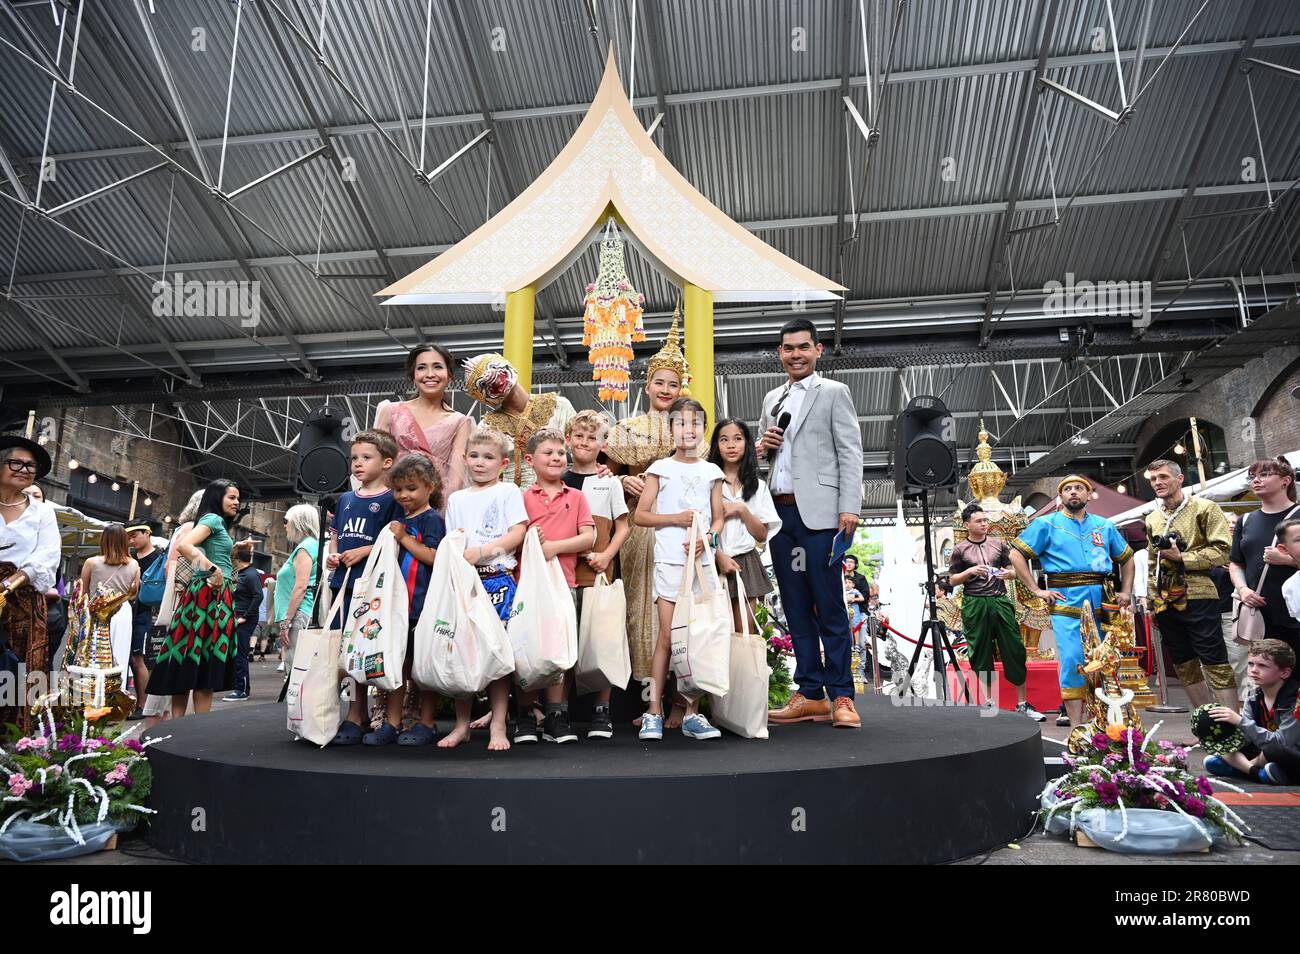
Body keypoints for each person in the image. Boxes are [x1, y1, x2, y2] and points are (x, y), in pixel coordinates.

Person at [759, 318, 864, 729]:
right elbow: (773, 459)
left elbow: (851, 451)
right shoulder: (772, 398)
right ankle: (810, 693)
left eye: (803, 347)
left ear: (818, 350)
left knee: (830, 606)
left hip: (822, 516)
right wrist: (760, 448)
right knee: (795, 606)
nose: (795, 355)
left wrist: (849, 507)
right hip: (779, 514)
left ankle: (842, 695)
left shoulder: (834, 392)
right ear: (779, 353)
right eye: (788, 348)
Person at [1010, 475, 1135, 729]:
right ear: (1061, 497)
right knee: (1072, 660)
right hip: (1066, 602)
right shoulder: (1047, 524)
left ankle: (1104, 724)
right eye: (1067, 489)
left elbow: (1127, 558)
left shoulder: (1104, 525)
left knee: (1105, 661)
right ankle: (1078, 728)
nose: (1073, 492)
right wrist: (1036, 589)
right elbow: (1016, 554)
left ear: (1089, 495)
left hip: (1104, 602)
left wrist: (1126, 591)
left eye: (1079, 488)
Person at [603, 316, 688, 684]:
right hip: (638, 525)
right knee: (640, 602)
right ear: (648, 384)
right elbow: (603, 474)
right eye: (660, 382)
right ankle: (643, 688)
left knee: (681, 601)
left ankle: (678, 690)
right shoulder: (628, 428)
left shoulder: (690, 430)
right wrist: (623, 480)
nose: (666, 389)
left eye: (674, 383)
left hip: (681, 523)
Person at [635, 397, 725, 741]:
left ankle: (692, 712)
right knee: (668, 638)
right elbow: (641, 516)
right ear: (670, 428)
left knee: (697, 638)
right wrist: (675, 518)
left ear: (704, 430)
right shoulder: (660, 468)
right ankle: (653, 712)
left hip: (700, 566)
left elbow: (717, 520)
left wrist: (708, 540)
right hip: (670, 562)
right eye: (681, 423)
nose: (689, 430)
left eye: (696, 424)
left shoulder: (711, 472)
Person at [444, 426, 529, 749]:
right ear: (465, 460)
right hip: (466, 583)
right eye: (475, 456)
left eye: (489, 457)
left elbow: (517, 533)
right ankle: (462, 723)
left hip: (498, 579)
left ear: (503, 464)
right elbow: (453, 541)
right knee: (463, 652)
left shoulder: (508, 493)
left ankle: (497, 724)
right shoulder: (456, 499)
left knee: (498, 655)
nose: (481, 463)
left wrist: (481, 552)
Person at [515, 427, 595, 745]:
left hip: (565, 584)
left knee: (558, 651)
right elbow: (513, 537)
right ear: (530, 460)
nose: (557, 457)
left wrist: (554, 547)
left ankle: (556, 715)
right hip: (528, 586)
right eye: (548, 453)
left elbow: (589, 537)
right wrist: (532, 541)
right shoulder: (520, 498)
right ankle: (524, 714)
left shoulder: (576, 497)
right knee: (526, 650)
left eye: (561, 453)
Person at [363, 453, 445, 746]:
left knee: (422, 666)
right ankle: (393, 722)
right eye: (399, 489)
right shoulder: (398, 520)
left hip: (421, 604)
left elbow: (434, 557)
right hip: (395, 606)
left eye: (412, 488)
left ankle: (426, 722)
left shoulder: (432, 519)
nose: (404, 495)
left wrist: (404, 538)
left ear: (430, 487)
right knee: (396, 663)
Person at [326, 428, 401, 745]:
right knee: (349, 651)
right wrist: (332, 556)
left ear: (387, 462)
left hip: (375, 589)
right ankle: (356, 713)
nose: (358, 463)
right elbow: (336, 536)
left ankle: (384, 714)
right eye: (354, 457)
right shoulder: (344, 499)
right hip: (343, 585)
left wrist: (366, 551)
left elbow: (398, 538)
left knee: (375, 648)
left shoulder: (391, 499)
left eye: (366, 458)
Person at [1142, 459, 1235, 710]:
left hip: (1200, 593)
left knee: (1214, 658)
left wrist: (1183, 557)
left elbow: (1224, 551)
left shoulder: (1204, 508)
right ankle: (1204, 726)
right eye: (1153, 479)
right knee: (1183, 662)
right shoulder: (1153, 518)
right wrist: (1151, 599)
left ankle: (1231, 728)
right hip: (1165, 600)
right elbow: (1153, 563)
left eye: (1163, 477)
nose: (1158, 483)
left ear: (1179, 478)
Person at [564, 410, 631, 739]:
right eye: (579, 436)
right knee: (562, 642)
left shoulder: (608, 482)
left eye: (593, 438)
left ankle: (602, 712)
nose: (585, 442)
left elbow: (623, 526)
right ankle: (557, 711)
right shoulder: (558, 480)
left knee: (601, 641)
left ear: (603, 444)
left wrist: (606, 555)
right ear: (568, 439)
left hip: (598, 574)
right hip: (562, 575)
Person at [151, 480, 243, 718]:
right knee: (200, 668)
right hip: (206, 597)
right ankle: (194, 730)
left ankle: (181, 729)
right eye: (231, 497)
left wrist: (231, 553)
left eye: (237, 498)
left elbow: (207, 551)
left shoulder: (217, 522)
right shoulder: (212, 519)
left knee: (191, 664)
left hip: (208, 597)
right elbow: (184, 545)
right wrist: (212, 569)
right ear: (216, 497)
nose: (236, 502)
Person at [949, 504, 1045, 721]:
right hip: (974, 603)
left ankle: (1022, 704)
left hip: (1000, 600)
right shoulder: (960, 549)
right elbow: (952, 580)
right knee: (980, 651)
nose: (984, 524)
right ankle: (989, 703)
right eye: (979, 521)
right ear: (967, 525)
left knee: (1015, 648)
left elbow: (1012, 570)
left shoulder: (998, 545)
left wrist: (1009, 575)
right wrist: (970, 571)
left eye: (985, 520)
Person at [0, 435, 60, 733]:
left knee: (18, 678)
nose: (24, 469)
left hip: (23, 604)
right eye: (16, 463)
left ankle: (14, 744)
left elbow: (47, 557)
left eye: (30, 466)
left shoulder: (43, 512)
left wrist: (12, 582)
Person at [374, 343, 473, 507]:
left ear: (449, 375)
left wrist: (433, 515)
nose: (430, 374)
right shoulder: (390, 411)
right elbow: (376, 466)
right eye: (421, 368)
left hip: (433, 508)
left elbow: (455, 482)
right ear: (413, 375)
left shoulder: (460, 422)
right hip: (389, 504)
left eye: (438, 367)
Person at [708, 418, 781, 632]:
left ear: (747, 444)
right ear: (716, 446)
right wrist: (718, 555)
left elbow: (762, 535)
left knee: (745, 633)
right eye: (724, 439)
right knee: (714, 634)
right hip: (711, 560)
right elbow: (700, 526)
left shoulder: (758, 486)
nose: (731, 445)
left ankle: (744, 668)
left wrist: (741, 509)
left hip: (746, 563)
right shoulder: (707, 482)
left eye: (737, 439)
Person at [463, 352, 576, 487]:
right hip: (509, 502)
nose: (492, 378)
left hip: (554, 498)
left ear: (507, 365)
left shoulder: (558, 406)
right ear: (481, 397)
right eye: (482, 384)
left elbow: (582, 449)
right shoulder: (487, 427)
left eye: (493, 368)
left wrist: (598, 468)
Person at [1229, 458, 1300, 657]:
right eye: (1252, 477)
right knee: (1266, 674)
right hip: (1259, 613)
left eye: (1265, 474)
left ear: (1285, 481)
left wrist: (1286, 560)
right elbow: (1235, 563)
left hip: (1295, 611)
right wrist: (1243, 590)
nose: (1256, 480)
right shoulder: (1246, 520)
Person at [1206, 639, 1299, 784]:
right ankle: (1258, 773)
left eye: (1262, 665)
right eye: (1251, 664)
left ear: (1285, 672)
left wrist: (1240, 721)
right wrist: (1225, 732)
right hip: (1264, 750)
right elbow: (1248, 737)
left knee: (1274, 750)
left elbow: (1283, 743)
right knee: (1222, 742)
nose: (1254, 670)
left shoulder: (1296, 699)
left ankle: (1240, 768)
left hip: (1289, 753)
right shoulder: (1253, 695)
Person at [79, 523, 141, 692]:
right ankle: (115, 695)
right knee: (118, 653)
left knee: (93, 654)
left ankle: (92, 693)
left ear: (104, 540)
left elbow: (82, 593)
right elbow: (134, 594)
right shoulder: (134, 564)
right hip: (122, 611)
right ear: (124, 541)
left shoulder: (91, 562)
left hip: (96, 612)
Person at [274, 504, 320, 680]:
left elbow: (300, 587)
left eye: (286, 521)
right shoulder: (312, 545)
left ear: (298, 522)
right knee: (300, 669)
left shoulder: (304, 548)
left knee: (296, 671)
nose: (284, 525)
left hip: (298, 616)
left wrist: (286, 621)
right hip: (301, 614)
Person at [126, 523, 162, 716]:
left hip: (147, 614)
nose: (131, 540)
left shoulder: (158, 558)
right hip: (128, 612)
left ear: (147, 534)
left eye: (134, 536)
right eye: (128, 537)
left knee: (139, 659)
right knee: (131, 659)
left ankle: (143, 704)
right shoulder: (130, 558)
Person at [225, 550, 263, 701]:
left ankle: (241, 690)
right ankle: (239, 687)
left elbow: (258, 596)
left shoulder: (251, 575)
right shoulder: (245, 574)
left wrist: (245, 617)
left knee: (240, 654)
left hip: (244, 620)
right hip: (239, 617)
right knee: (237, 654)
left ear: (238, 560)